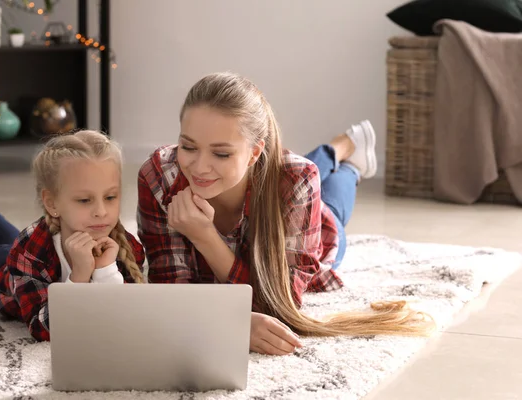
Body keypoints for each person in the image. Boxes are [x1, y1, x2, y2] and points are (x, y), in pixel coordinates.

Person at [137, 72, 434, 356]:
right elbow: (171, 292)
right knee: (298, 171)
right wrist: (232, 324)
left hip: (320, 229)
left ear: (254, 153)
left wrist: (205, 238)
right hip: (281, 178)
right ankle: (340, 149)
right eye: (188, 146)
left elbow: (281, 302)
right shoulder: (159, 175)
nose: (199, 167)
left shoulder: (298, 180)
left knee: (332, 202)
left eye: (221, 154)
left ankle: (348, 155)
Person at [0, 130, 145, 341]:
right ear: (51, 203)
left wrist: (105, 269)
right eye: (84, 200)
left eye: (110, 197)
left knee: (12, 239)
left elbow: (119, 316)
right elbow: (42, 329)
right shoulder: (29, 250)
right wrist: (79, 275)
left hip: (21, 253)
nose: (101, 211)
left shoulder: (124, 246)